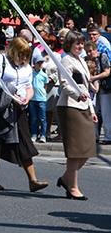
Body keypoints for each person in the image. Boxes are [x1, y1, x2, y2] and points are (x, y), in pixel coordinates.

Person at [0, 37, 49, 192]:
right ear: (13, 51)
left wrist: (27, 97)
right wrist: (10, 92)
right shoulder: (0, 59)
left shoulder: (26, 67)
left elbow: (29, 86)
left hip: (19, 109)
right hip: (2, 107)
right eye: (21, 54)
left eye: (26, 55)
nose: (24, 58)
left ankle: (33, 180)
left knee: (25, 143)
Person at [56, 31, 98, 200]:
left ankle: (66, 178)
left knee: (87, 150)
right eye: (77, 43)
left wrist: (92, 110)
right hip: (70, 107)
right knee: (75, 152)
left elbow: (86, 87)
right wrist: (77, 95)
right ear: (69, 44)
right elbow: (65, 85)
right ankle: (73, 187)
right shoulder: (66, 60)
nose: (80, 46)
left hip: (84, 107)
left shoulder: (80, 60)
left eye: (82, 43)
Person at [30, 53, 50, 143]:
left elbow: (45, 85)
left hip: (41, 99)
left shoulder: (44, 75)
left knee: (42, 118)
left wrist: (43, 93)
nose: (40, 64)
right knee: (33, 118)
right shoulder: (31, 73)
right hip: (32, 99)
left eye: (41, 63)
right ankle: (34, 134)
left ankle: (43, 135)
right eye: (38, 63)